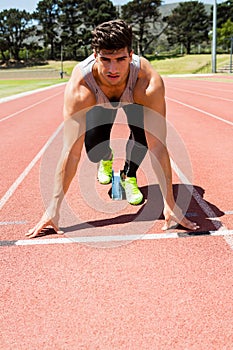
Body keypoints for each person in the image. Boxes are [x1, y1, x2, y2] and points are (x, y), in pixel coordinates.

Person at [26, 19, 199, 238]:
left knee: (142, 140)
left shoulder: (146, 82)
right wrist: (53, 208)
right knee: (94, 149)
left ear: (131, 54)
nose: (113, 69)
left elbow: (158, 145)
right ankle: (105, 158)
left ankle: (129, 176)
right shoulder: (81, 88)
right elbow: (71, 152)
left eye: (120, 59)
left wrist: (170, 203)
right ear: (94, 54)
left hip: (133, 97)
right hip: (99, 98)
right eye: (105, 59)